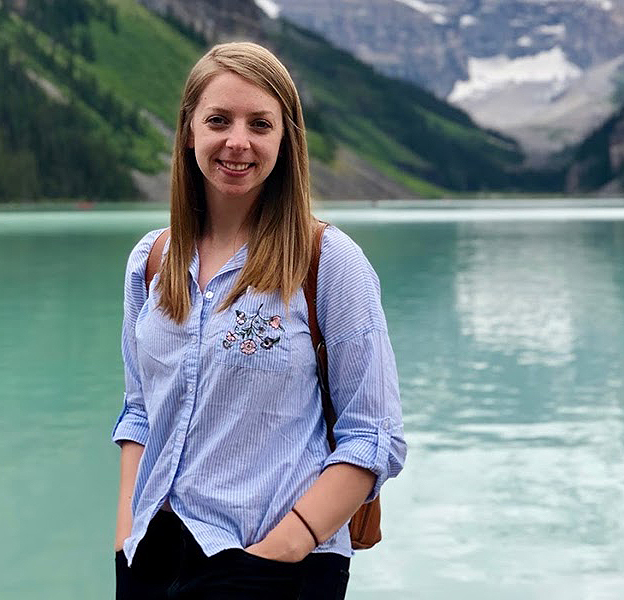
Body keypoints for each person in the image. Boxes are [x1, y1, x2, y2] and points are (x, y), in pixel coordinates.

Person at [112, 42, 406, 599]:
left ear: (286, 140)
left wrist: (282, 549)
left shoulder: (330, 261)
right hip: (151, 555)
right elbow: (139, 412)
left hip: (275, 565)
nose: (237, 142)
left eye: (260, 124)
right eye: (218, 120)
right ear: (189, 132)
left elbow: (374, 437)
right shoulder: (151, 261)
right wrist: (125, 536)